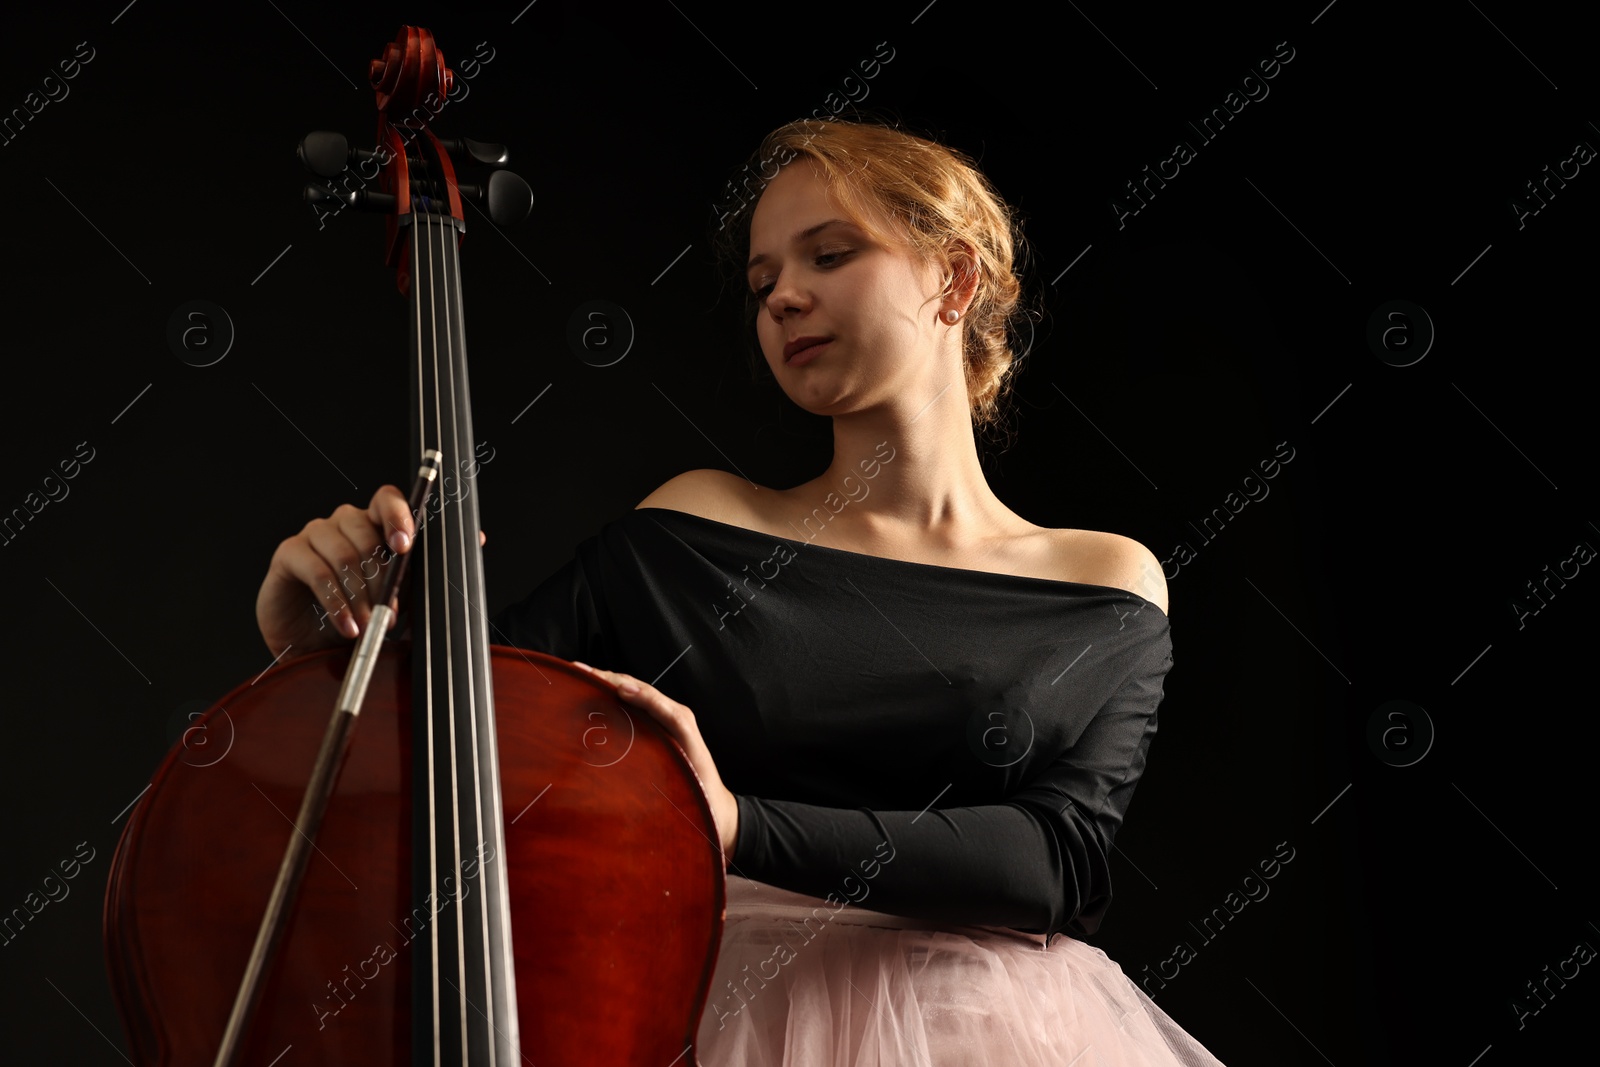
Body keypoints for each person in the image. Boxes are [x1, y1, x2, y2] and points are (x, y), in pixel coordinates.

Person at [256, 118, 1226, 1065]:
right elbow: (465, 750)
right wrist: (323, 650)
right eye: (763, 281)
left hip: (1005, 1033)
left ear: (954, 279)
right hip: (731, 1018)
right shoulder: (698, 526)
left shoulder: (1101, 576)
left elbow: (1060, 860)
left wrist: (736, 825)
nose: (783, 298)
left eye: (829, 255)